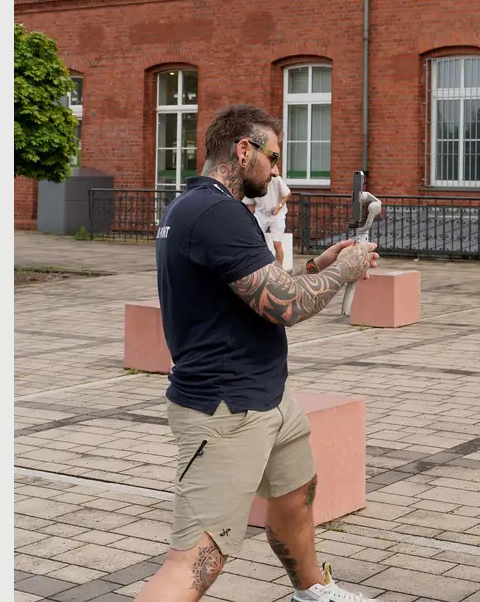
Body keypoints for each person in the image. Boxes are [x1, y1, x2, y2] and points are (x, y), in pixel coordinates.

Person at [139, 104, 381, 602]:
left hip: (265, 395)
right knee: (197, 559)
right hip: (226, 409)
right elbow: (285, 306)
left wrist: (320, 262)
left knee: (296, 500)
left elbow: (259, 289)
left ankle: (314, 591)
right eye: (272, 156)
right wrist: (346, 271)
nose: (277, 171)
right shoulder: (215, 213)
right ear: (242, 149)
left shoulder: (207, 208)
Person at [245, 172, 291, 236]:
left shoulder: (276, 180)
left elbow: (287, 194)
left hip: (277, 214)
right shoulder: (252, 184)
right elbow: (250, 204)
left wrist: (279, 206)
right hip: (260, 215)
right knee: (256, 237)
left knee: (277, 243)